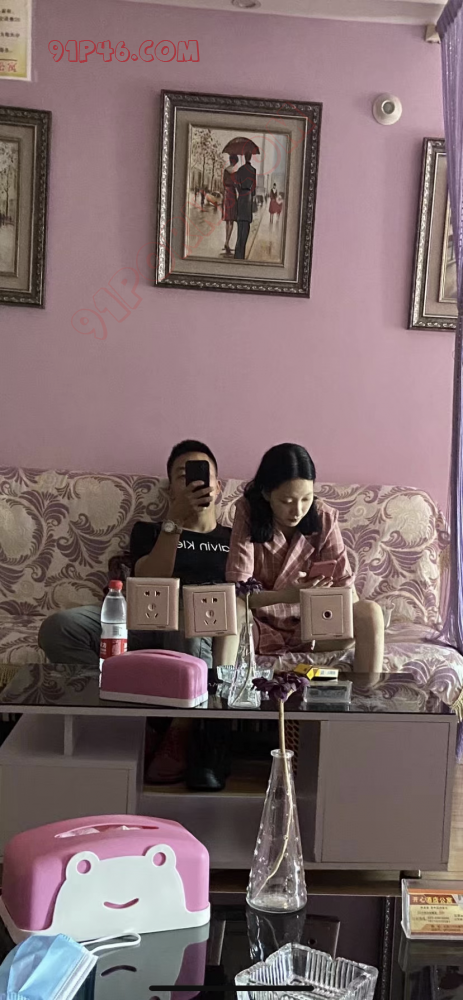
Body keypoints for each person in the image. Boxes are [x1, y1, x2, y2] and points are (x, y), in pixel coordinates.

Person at [38, 440, 233, 785]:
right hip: (141, 621)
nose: (194, 482)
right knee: (60, 627)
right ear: (170, 489)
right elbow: (147, 580)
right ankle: (124, 713)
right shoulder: (150, 530)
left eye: (203, 476)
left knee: (188, 613)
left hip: (196, 630)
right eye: (183, 476)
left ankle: (179, 729)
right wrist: (174, 523)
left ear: (218, 487)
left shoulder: (234, 539)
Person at [225, 443, 384, 672]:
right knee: (234, 608)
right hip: (260, 626)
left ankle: (367, 689)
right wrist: (287, 595)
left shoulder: (323, 516)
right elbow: (239, 590)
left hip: (315, 626)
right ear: (266, 493)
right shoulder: (248, 512)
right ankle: (222, 688)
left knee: (370, 612)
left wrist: (327, 597)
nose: (298, 511)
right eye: (287, 501)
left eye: (306, 499)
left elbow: (347, 587)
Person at [234, 150, 257, 260]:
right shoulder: (253, 170)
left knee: (240, 227)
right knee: (246, 227)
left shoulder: (240, 170)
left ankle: (237, 252)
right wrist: (251, 194)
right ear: (251, 157)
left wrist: (240, 191)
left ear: (244, 157)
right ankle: (242, 252)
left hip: (241, 197)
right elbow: (254, 188)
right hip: (248, 198)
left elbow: (236, 184)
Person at [222, 153, 238, 254]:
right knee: (231, 220)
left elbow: (223, 183)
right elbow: (236, 185)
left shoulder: (225, 170)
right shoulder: (235, 172)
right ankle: (227, 242)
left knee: (227, 219)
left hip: (226, 194)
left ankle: (226, 241)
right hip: (232, 194)